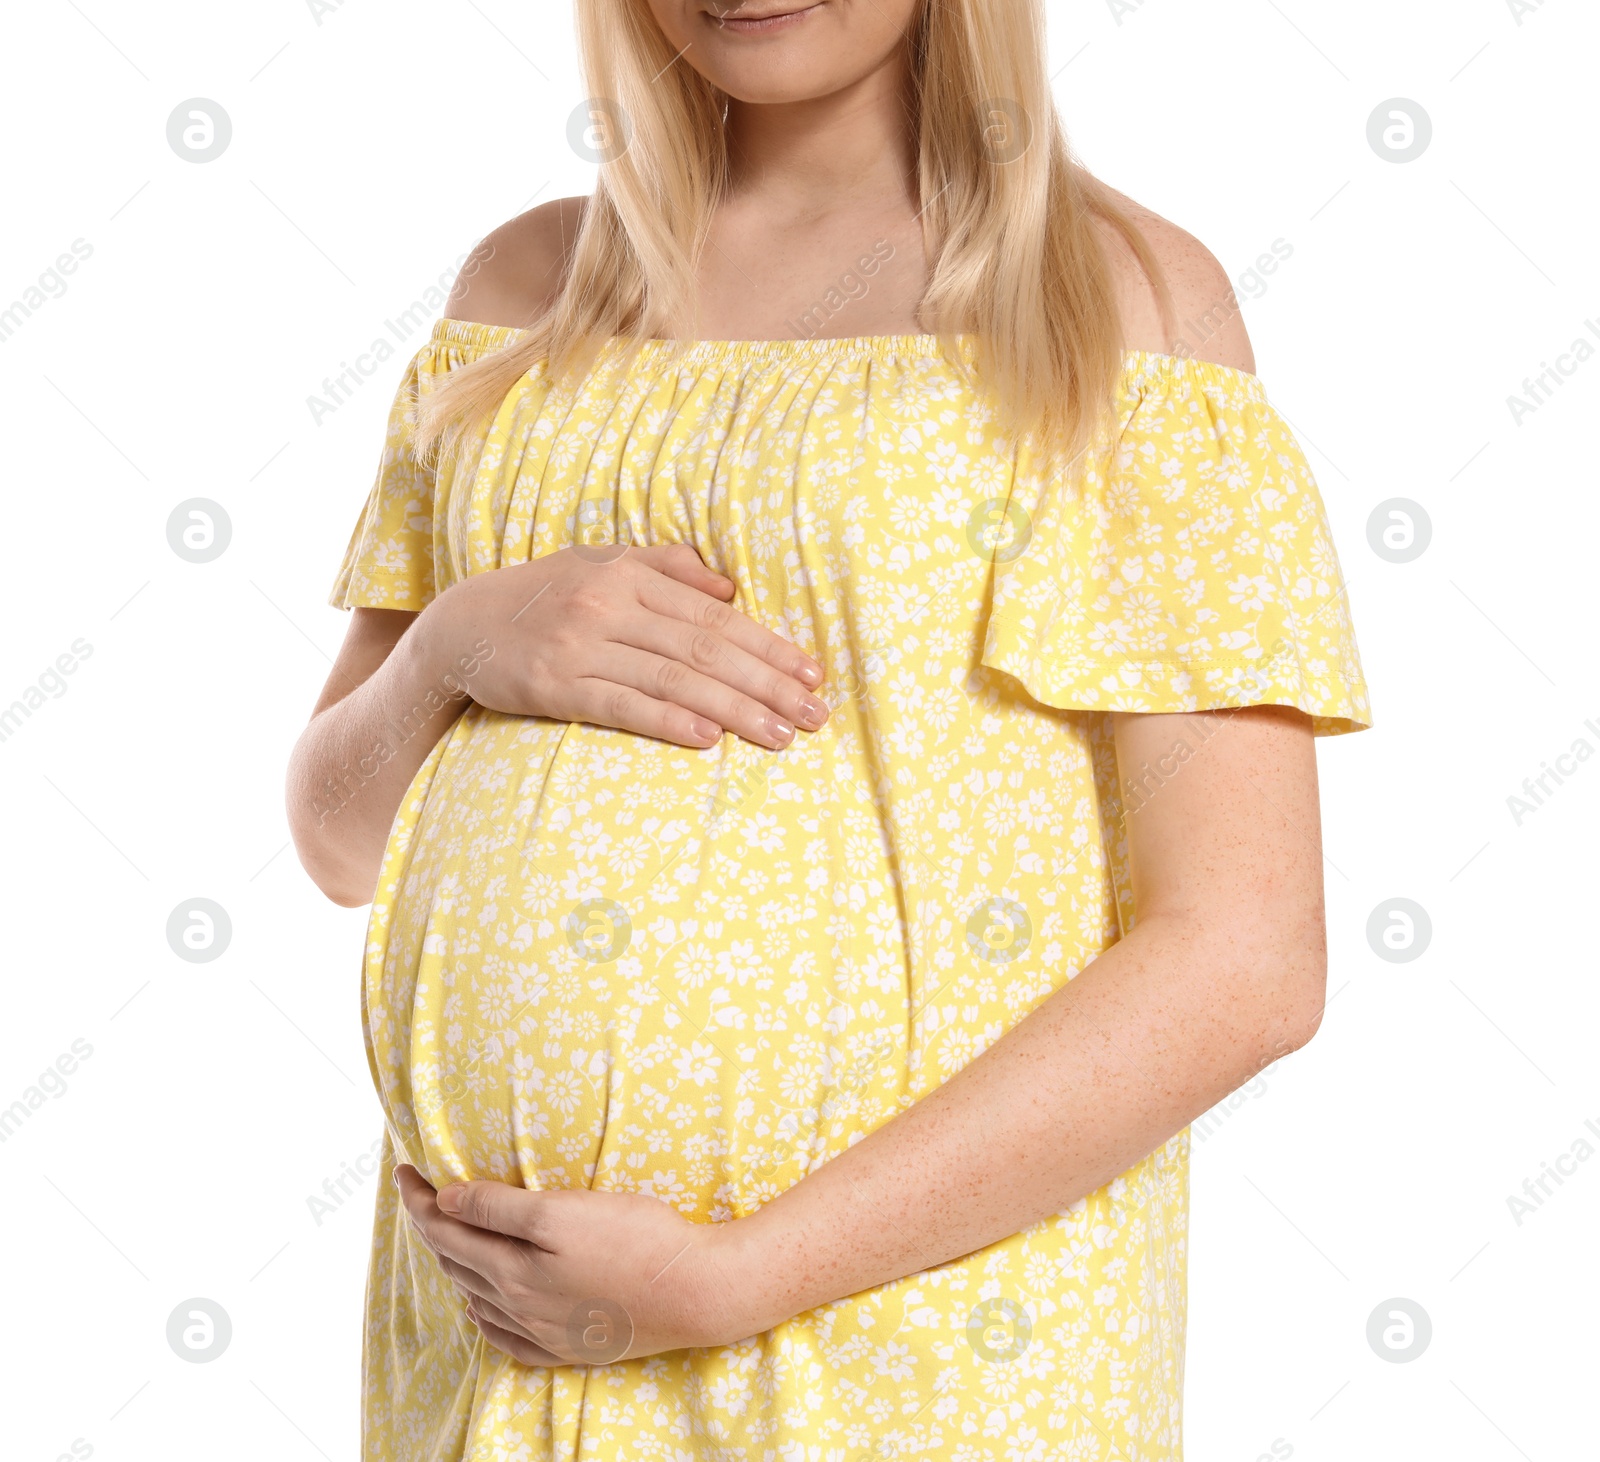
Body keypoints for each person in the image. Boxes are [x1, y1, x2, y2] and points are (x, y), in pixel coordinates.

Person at [286, 1, 1373, 1457]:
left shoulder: (1107, 309)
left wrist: (739, 1273)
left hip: (913, 1366)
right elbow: (337, 839)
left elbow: (1244, 963)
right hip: (503, 1362)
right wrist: (451, 648)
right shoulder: (526, 298)